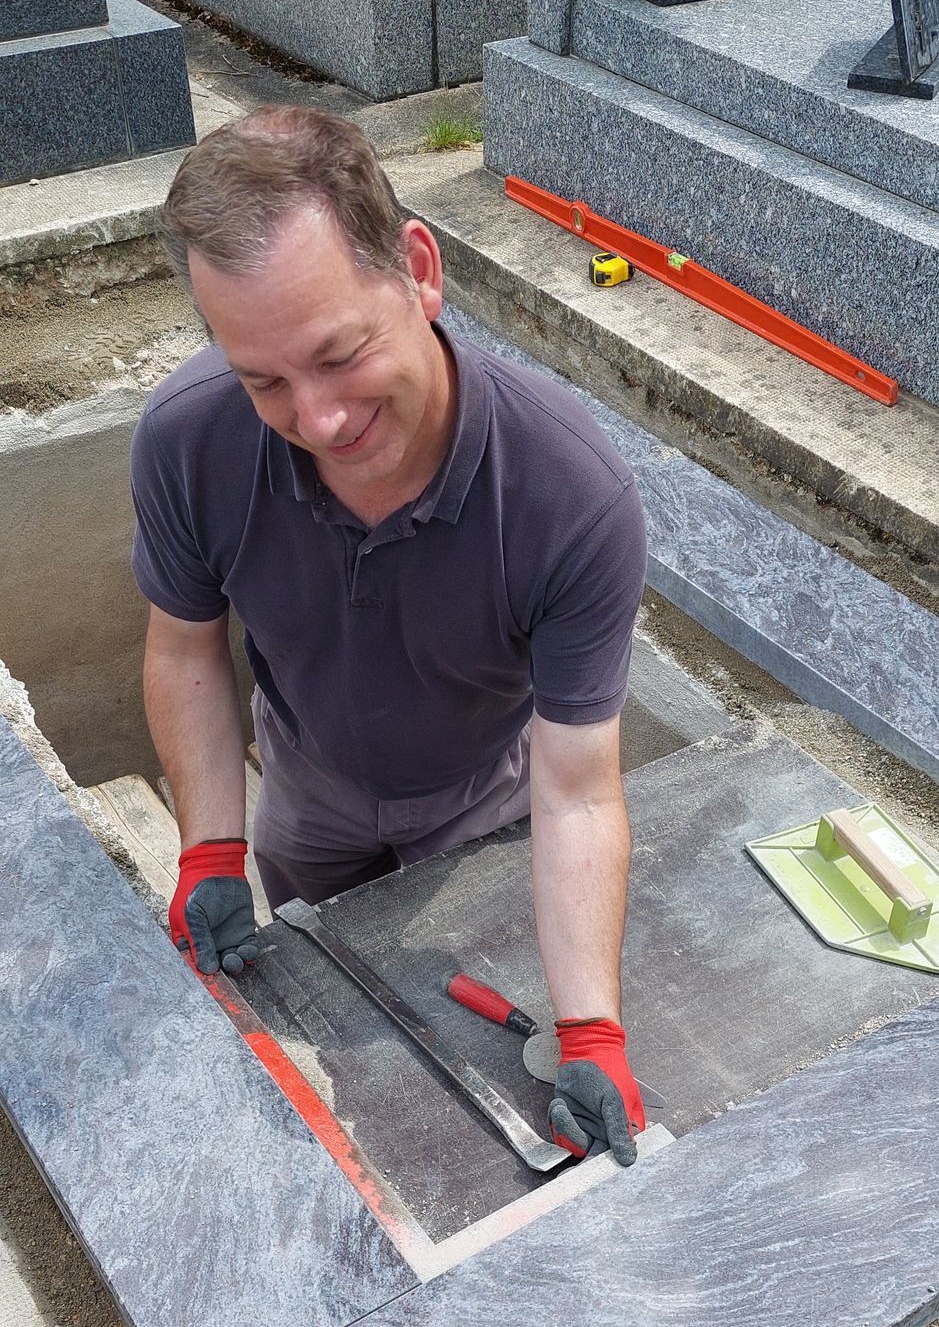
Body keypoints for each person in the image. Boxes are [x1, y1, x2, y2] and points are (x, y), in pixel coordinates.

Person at [131, 107, 649, 1166]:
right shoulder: (188, 443)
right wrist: (210, 845)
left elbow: (580, 788)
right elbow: (185, 649)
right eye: (263, 378)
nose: (316, 419)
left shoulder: (569, 498)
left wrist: (590, 1025)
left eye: (338, 354)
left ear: (417, 268)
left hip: (485, 799)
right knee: (333, 1027)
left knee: (451, 1075)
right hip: (305, 789)